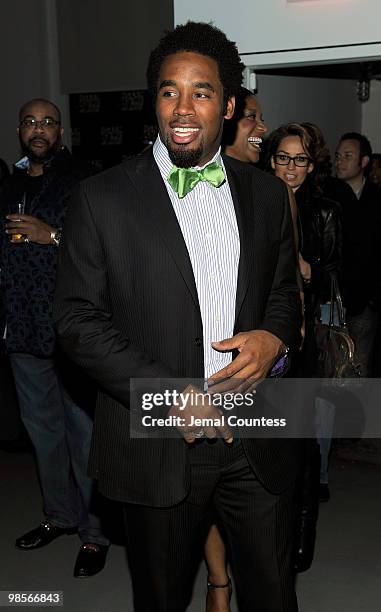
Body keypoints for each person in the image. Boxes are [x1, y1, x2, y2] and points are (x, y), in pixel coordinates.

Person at [54, 22, 302, 612]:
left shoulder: (267, 196)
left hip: (254, 431)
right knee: (161, 597)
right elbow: (77, 320)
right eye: (170, 92)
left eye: (202, 91)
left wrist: (274, 339)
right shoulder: (103, 197)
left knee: (273, 593)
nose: (183, 108)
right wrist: (168, 394)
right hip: (160, 443)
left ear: (230, 104)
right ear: (155, 101)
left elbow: (284, 291)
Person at [0, 98, 109, 577]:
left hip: (70, 331)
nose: (38, 129)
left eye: (47, 122)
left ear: (60, 131)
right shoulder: (8, 184)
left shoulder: (83, 178)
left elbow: (101, 247)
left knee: (83, 437)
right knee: (43, 437)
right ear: (20, 130)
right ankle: (59, 517)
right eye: (30, 122)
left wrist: (53, 236)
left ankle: (94, 532)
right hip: (21, 329)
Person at [267, 122, 342, 502]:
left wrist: (307, 270)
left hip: (311, 323)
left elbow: (336, 275)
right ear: (272, 159)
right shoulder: (258, 201)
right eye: (284, 158)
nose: (291, 168)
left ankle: (313, 483)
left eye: (301, 160)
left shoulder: (325, 210)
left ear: (312, 165)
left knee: (310, 413)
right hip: (266, 327)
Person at [335, 132, 381, 378]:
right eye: (338, 156)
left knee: (359, 364)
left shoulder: (376, 199)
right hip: (334, 299)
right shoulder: (330, 194)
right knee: (332, 363)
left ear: (363, 162)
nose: (340, 161)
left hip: (364, 302)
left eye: (348, 156)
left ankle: (358, 415)